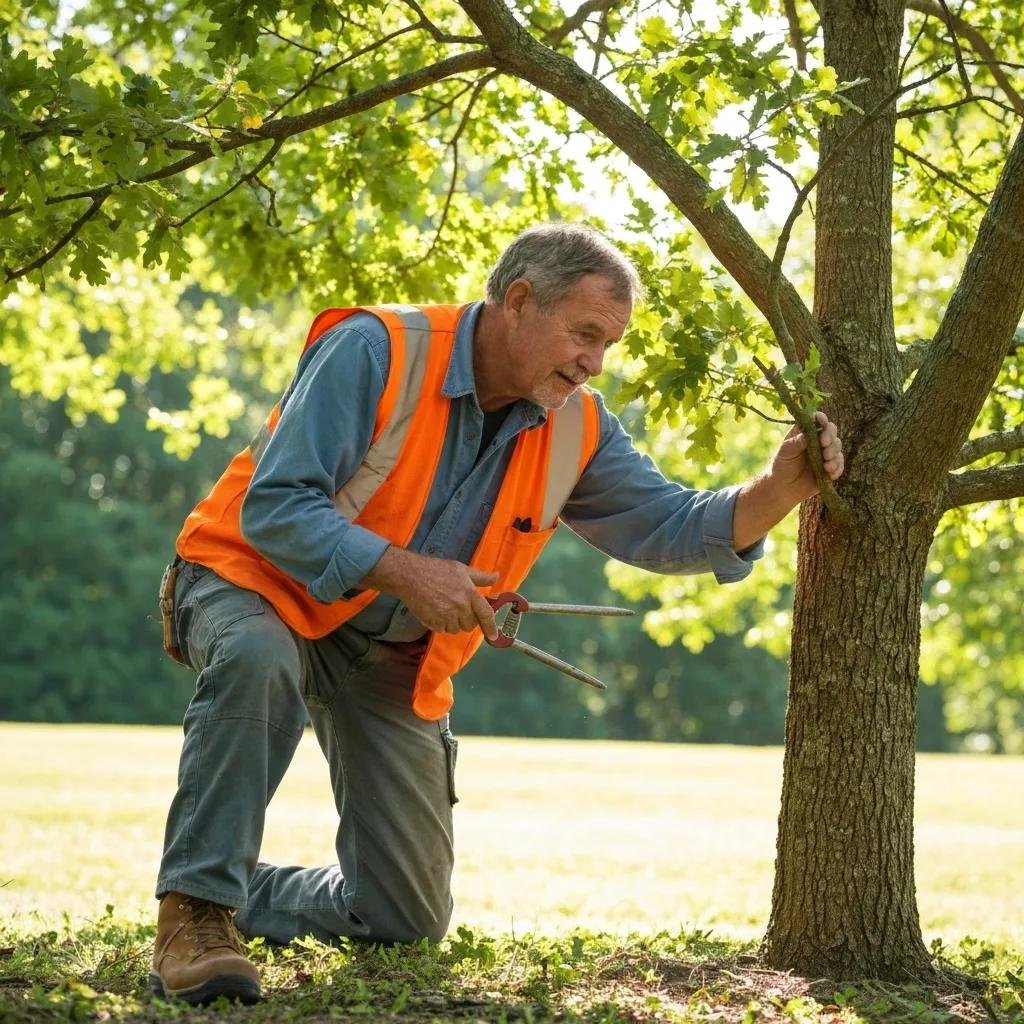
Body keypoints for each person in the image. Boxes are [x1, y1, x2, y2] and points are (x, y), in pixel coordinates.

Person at [150, 223, 844, 1005]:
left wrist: (779, 488)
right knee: (256, 658)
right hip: (256, 584)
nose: (594, 362)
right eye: (585, 334)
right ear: (518, 301)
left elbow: (670, 526)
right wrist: (406, 571)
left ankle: (236, 884)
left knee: (403, 917)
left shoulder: (577, 421)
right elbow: (276, 507)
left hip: (388, 651)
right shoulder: (375, 350)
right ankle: (195, 909)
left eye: (607, 344)